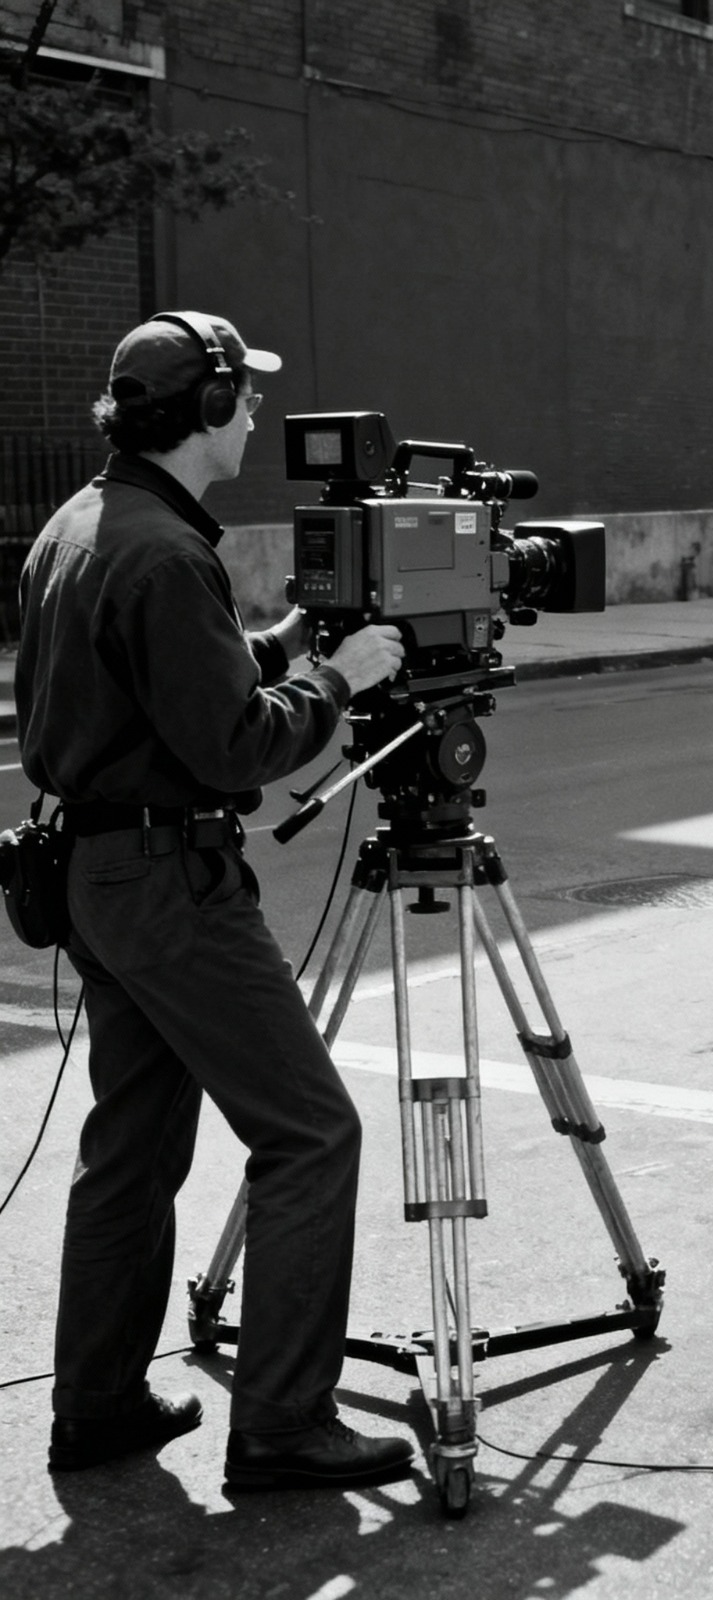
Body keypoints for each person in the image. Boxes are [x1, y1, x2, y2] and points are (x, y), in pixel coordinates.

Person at [16, 311, 416, 1488]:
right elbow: (236, 742)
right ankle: (286, 1425)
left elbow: (168, 675)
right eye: (242, 398)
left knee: (132, 1150)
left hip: (93, 874)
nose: (253, 415)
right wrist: (340, 676)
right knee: (311, 1132)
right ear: (202, 409)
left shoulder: (86, 522)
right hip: (166, 882)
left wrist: (287, 635)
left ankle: (94, 1406)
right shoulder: (165, 551)